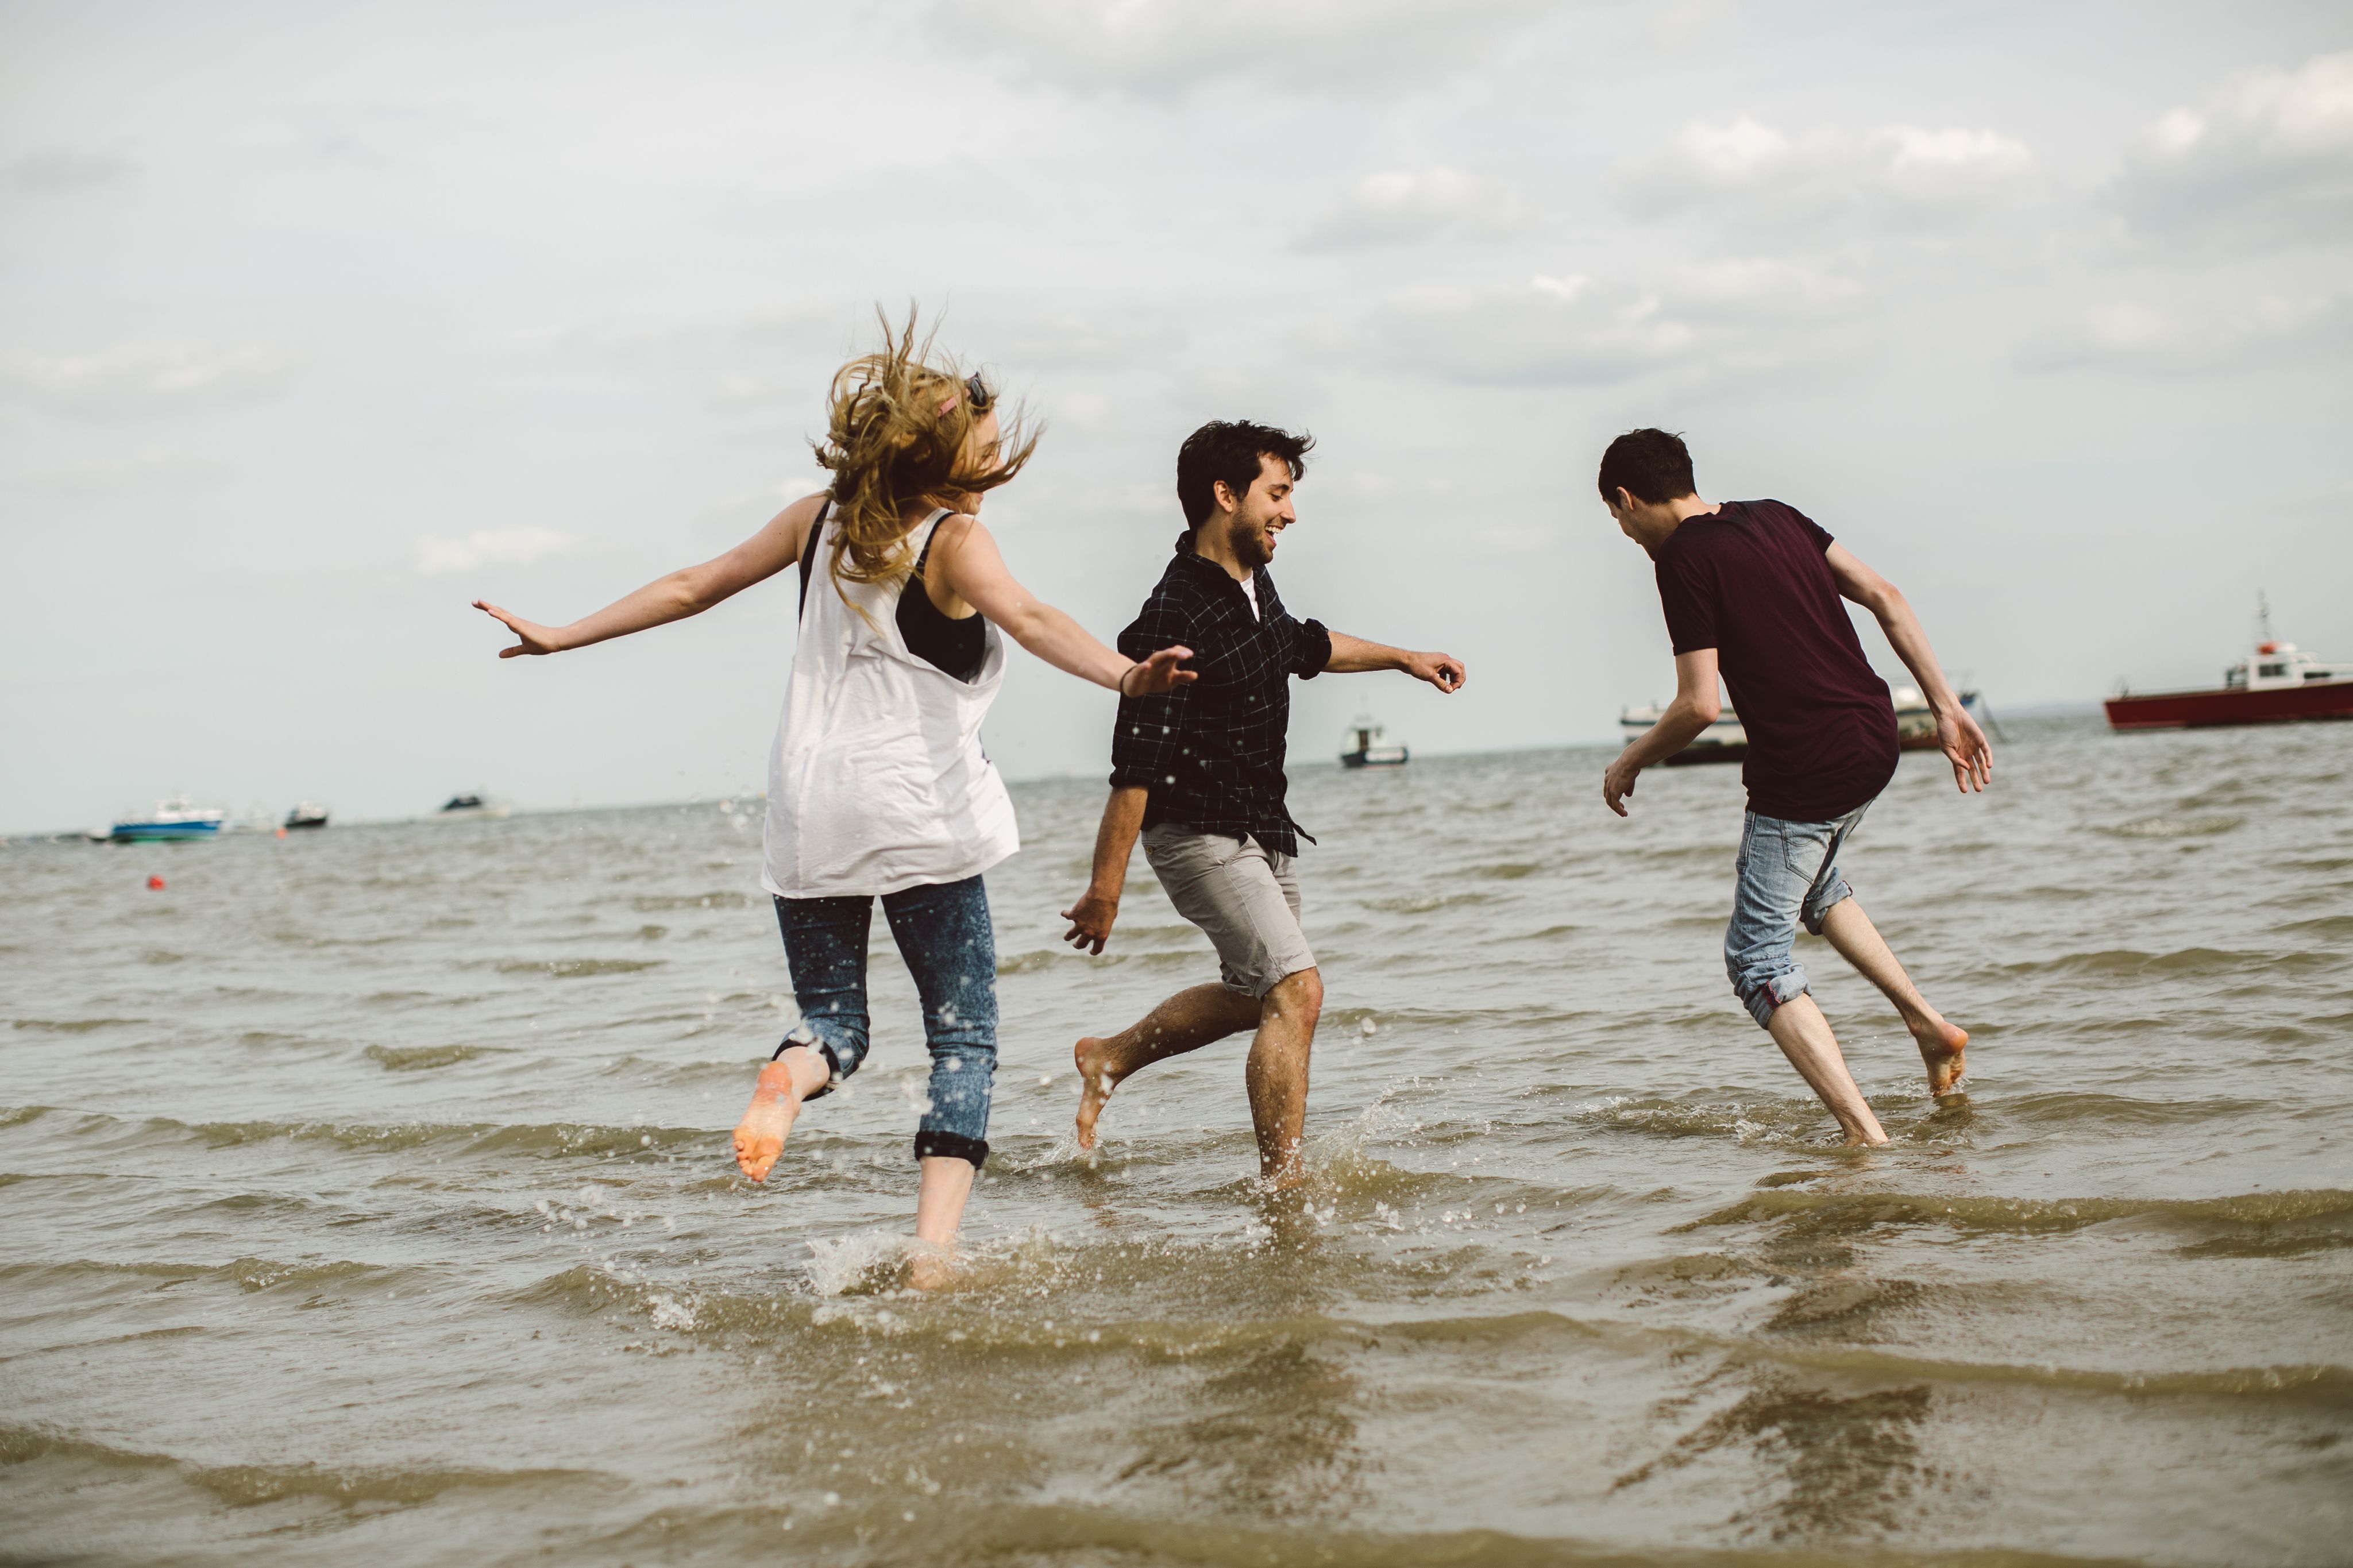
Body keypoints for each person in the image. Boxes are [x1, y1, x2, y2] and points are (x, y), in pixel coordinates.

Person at [473, 316, 1195, 1283]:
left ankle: (790, 1076)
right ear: (942, 457)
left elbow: (695, 585)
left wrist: (566, 634)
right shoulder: (953, 540)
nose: (991, 463)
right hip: (917, 816)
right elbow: (1028, 618)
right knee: (964, 1037)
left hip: (809, 813)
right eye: (982, 447)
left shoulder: (816, 520)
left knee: (835, 1024)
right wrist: (1122, 677)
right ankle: (932, 1253)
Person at [1058, 420, 1467, 1186]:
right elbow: (1134, 767)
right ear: (1226, 495)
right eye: (1277, 493)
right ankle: (1284, 1186)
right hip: (1197, 831)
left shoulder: (1251, 582)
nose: (1290, 511)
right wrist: (1104, 891)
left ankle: (1107, 1057)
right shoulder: (1173, 617)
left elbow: (1303, 646)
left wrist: (1404, 657)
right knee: (1297, 989)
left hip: (1262, 826)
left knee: (1258, 993)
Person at [1597, 428, 1991, 1146]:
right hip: (1873, 739)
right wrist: (1944, 706)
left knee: (1755, 958)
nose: (1626, 535)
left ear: (1626, 500)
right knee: (1815, 885)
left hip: (1807, 763)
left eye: (1618, 521)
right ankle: (1929, 1027)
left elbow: (1698, 707)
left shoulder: (1681, 558)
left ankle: (1864, 1140)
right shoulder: (1777, 515)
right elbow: (1886, 595)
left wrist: (1629, 759)